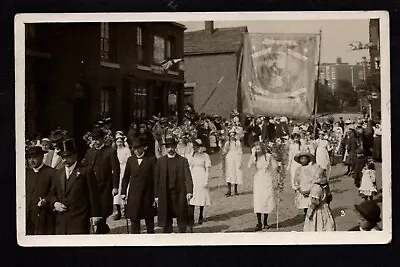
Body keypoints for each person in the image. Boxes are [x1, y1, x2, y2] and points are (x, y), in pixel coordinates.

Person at [49, 139, 101, 234]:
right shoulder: (58, 173)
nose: (64, 160)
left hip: (79, 220)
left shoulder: (85, 171)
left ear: (75, 155)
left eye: (68, 156)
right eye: (62, 157)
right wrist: (55, 203)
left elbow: (93, 195)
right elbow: (52, 192)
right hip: (61, 222)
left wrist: (95, 215)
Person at [82, 128, 120, 234]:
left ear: (103, 139)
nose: (95, 142)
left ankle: (101, 229)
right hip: (91, 186)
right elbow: (85, 167)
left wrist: (115, 186)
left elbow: (116, 169)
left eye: (97, 139)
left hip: (105, 185)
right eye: (93, 139)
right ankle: (100, 229)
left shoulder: (110, 151)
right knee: (93, 208)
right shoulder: (89, 152)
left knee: (103, 210)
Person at [154, 137, 193, 233]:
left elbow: (188, 177)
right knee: (166, 220)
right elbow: (156, 180)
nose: (170, 149)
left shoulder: (182, 160)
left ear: (175, 147)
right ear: (165, 148)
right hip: (165, 194)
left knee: (182, 218)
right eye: (168, 147)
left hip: (179, 193)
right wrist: (156, 195)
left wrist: (189, 191)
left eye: (172, 147)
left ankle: (182, 237)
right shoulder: (160, 162)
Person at [121, 138, 157, 234]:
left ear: (143, 148)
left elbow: (156, 178)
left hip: (147, 194)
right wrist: (123, 192)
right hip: (134, 195)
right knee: (134, 220)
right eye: (134, 148)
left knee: (149, 221)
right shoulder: (130, 160)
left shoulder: (151, 159)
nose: (136, 150)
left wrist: (155, 195)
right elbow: (126, 177)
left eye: (138, 148)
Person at [25, 146, 56, 235]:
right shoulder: (27, 173)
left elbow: (53, 192)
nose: (31, 160)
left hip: (43, 216)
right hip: (28, 216)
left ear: (42, 157)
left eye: (34, 157)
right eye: (29, 158)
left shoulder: (51, 172)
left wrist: (46, 200)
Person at [248, 142, 278, 231]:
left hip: (267, 179)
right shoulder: (255, 158)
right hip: (258, 180)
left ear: (262, 148)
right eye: (256, 149)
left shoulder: (268, 156)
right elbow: (249, 165)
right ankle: (259, 222)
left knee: (267, 199)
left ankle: (265, 221)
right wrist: (253, 155)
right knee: (258, 200)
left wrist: (278, 163)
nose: (257, 151)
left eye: (258, 149)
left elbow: (275, 166)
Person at [187, 139, 212, 228]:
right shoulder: (192, 155)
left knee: (201, 196)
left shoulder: (205, 156)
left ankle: (201, 214)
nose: (195, 148)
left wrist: (206, 180)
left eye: (196, 146)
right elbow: (189, 166)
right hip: (193, 176)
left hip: (201, 175)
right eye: (194, 146)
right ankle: (191, 218)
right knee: (192, 196)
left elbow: (208, 169)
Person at [112, 133, 131, 220]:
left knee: (125, 189)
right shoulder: (114, 151)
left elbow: (129, 160)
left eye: (120, 141)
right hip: (117, 171)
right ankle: (118, 211)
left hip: (125, 169)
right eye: (117, 142)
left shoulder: (126, 150)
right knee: (117, 190)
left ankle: (127, 210)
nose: (119, 143)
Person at [293, 152, 319, 216]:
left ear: (308, 159)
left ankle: (312, 215)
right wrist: (300, 190)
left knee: (311, 203)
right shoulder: (298, 169)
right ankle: (306, 215)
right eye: (302, 159)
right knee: (304, 204)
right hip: (302, 188)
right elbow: (296, 181)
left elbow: (315, 179)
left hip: (310, 188)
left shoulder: (312, 168)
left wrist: (311, 189)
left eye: (305, 158)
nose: (303, 160)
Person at [223, 129, 243, 196]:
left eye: (233, 135)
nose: (232, 136)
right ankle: (229, 190)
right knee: (229, 173)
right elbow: (225, 151)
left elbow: (240, 151)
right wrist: (223, 148)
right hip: (229, 158)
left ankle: (235, 189)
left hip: (236, 158)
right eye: (231, 135)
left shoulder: (237, 143)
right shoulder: (227, 143)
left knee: (236, 173)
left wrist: (239, 161)